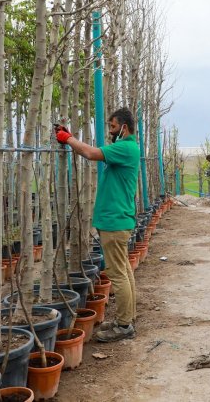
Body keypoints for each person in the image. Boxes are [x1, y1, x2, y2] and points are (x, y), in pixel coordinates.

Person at [55, 107, 140, 342]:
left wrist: (68, 138)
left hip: (115, 221)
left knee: (117, 273)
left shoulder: (125, 147)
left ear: (124, 126)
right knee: (123, 270)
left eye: (113, 127)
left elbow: (91, 154)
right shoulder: (127, 148)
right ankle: (127, 318)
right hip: (117, 219)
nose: (111, 131)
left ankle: (123, 326)